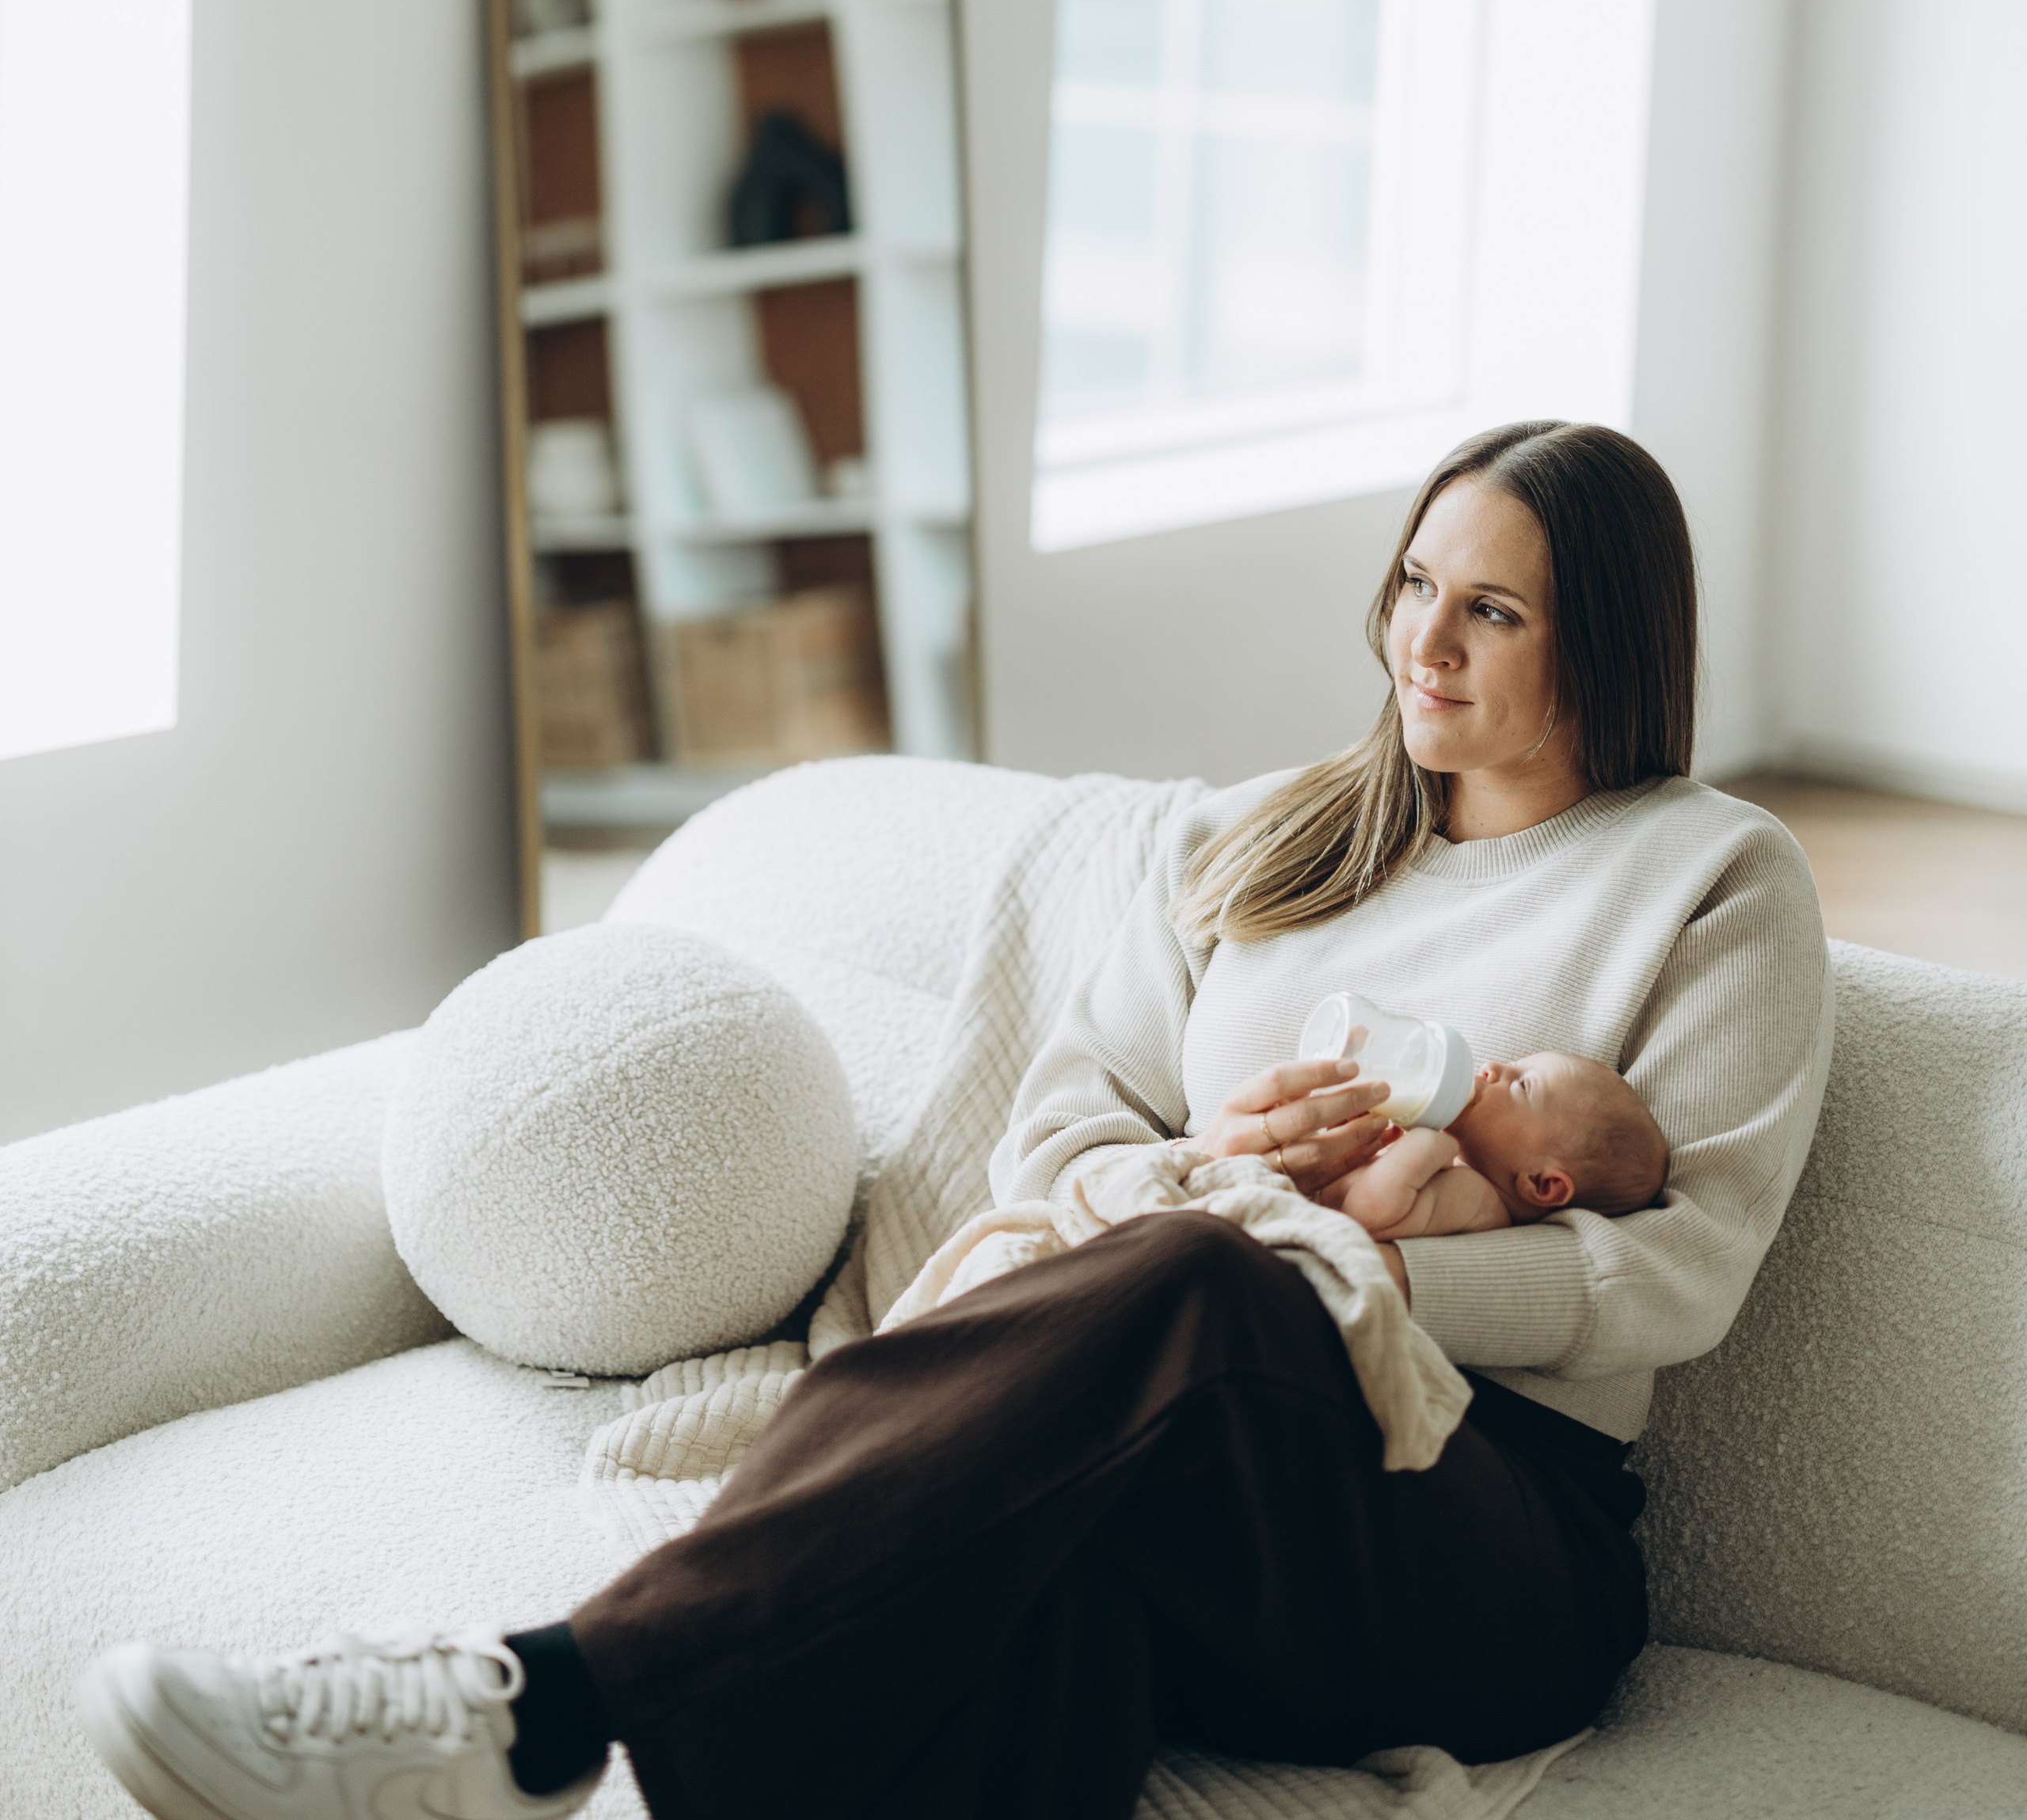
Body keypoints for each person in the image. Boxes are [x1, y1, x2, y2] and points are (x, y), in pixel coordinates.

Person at [79, 420, 1835, 1820]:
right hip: (1188, 1476)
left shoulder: (1708, 877)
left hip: (1480, 1530)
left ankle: (533, 1704)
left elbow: (1681, 1275)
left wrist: (1324, 1269)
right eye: (1408, 584)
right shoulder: (1279, 841)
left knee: (1203, 1296)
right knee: (1031, 1616)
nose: (1417, 643)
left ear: (1596, 631)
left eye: (1489, 611)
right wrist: (1222, 1176)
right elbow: (1056, 1156)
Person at [1333, 1051, 1670, 1243]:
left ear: (1542, 1183)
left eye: (1523, 1085)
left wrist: (1427, 1134)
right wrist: (1352, 1148)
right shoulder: (1460, 1175)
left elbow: (1366, 1214)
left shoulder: (1478, 1202)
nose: (1492, 1068)